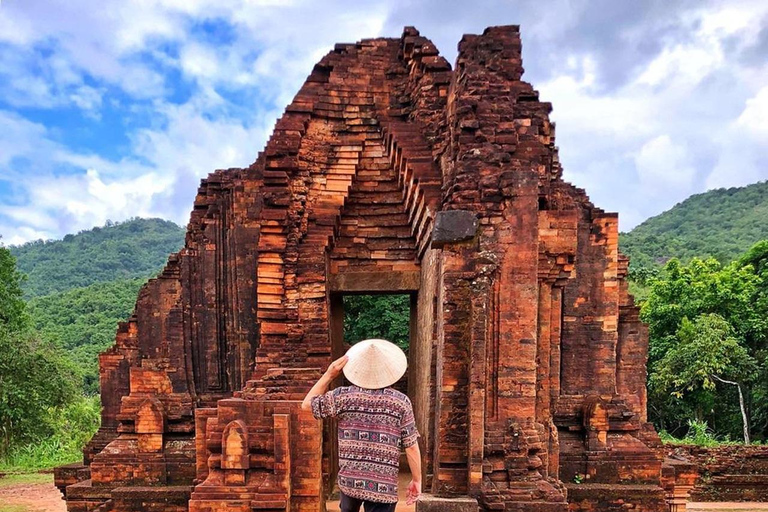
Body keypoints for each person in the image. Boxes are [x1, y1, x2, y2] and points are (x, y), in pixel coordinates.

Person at [301, 338, 422, 512]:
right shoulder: (400, 402)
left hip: (350, 481)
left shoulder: (343, 397)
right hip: (383, 485)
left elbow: (306, 405)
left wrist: (329, 374)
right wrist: (416, 480)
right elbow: (411, 446)